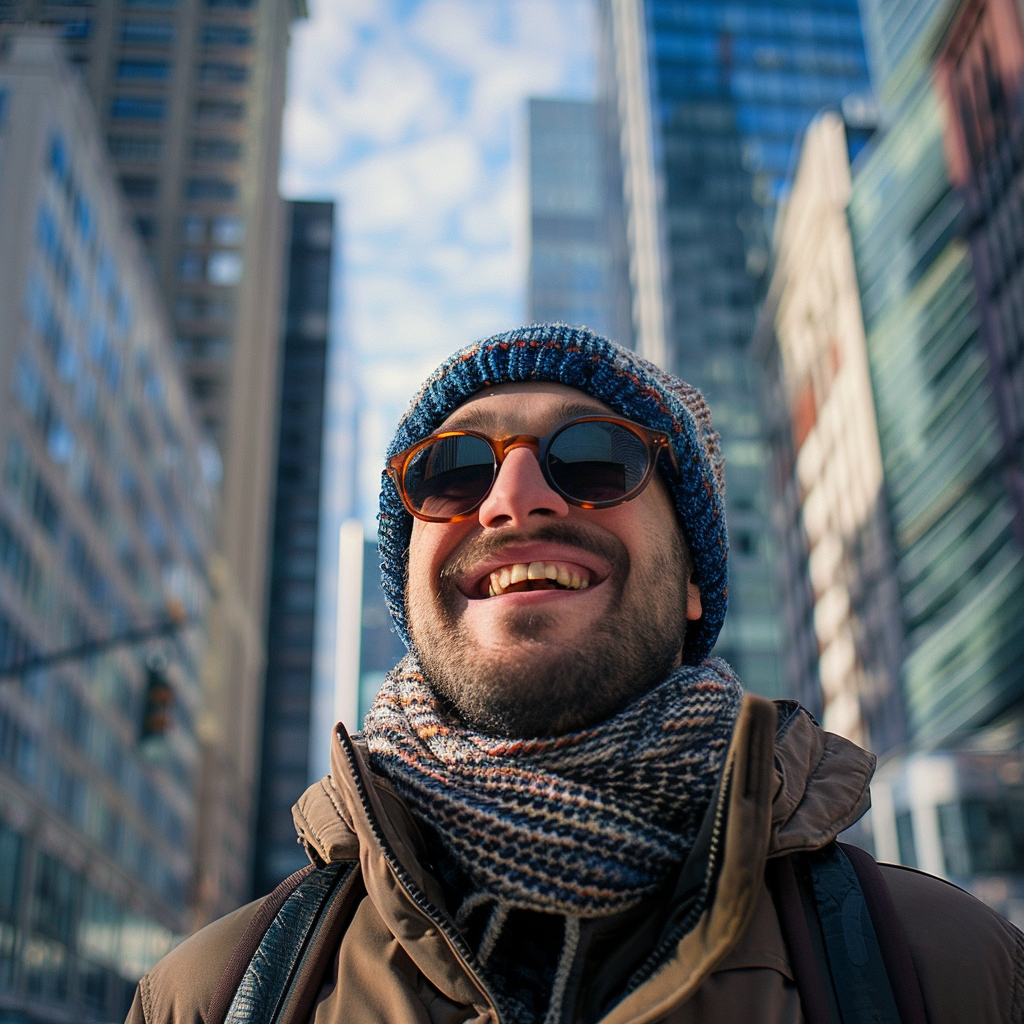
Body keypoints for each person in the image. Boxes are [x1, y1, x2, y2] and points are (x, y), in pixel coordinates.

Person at [128, 324, 1024, 1024]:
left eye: (595, 456)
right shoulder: (208, 998)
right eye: (453, 470)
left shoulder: (954, 974)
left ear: (692, 588)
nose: (514, 498)